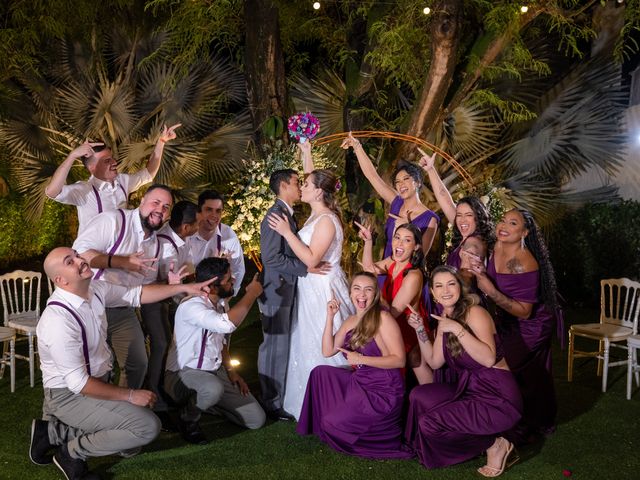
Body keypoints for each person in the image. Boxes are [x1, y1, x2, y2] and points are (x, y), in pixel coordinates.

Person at [29, 247, 214, 480]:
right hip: (68, 395)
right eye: (70, 261)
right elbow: (79, 384)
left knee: (131, 447)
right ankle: (71, 453)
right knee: (147, 427)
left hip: (96, 383)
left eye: (76, 254)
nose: (80, 260)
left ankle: (53, 432)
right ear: (61, 279)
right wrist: (129, 395)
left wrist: (184, 287)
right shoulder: (57, 321)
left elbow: (137, 294)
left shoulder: (95, 289)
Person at [405, 266, 522, 476]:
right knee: (419, 396)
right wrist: (420, 328)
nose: (445, 290)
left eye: (451, 283)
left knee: (429, 423)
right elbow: (434, 362)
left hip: (497, 397)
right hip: (469, 389)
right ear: (432, 292)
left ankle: (495, 443)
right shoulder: (444, 318)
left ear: (460, 287)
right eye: (439, 286)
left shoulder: (475, 313)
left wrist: (456, 329)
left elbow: (487, 359)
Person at [268, 142, 354, 419]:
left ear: (318, 191)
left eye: (305, 184)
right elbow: (315, 179)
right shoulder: (317, 213)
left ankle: (335, 400)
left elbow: (312, 259)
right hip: (311, 287)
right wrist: (306, 152)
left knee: (324, 337)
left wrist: (286, 232)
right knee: (308, 338)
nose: (300, 187)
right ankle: (311, 401)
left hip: (323, 287)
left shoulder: (327, 220)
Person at [297, 272, 412, 459]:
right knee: (320, 373)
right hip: (361, 380)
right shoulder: (349, 320)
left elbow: (399, 360)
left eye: (368, 290)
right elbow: (327, 351)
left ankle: (360, 429)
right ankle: (338, 418)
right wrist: (330, 317)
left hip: (384, 389)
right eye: (357, 289)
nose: (362, 295)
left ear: (375, 294)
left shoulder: (383, 318)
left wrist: (361, 359)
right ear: (350, 293)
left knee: (331, 423)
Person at [469, 208, 559, 443]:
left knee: (510, 367)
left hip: (532, 324)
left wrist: (491, 291)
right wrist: (481, 274)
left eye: (513, 223)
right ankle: (521, 417)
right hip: (507, 319)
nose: (504, 226)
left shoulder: (523, 262)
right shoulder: (497, 246)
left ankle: (520, 424)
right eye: (502, 220)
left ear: (524, 232)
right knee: (524, 373)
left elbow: (525, 311)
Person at [72, 184, 173, 389]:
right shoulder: (113, 220)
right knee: (96, 369)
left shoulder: (154, 244)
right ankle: (91, 415)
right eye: (156, 202)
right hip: (92, 305)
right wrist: (121, 262)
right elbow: (79, 254)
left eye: (166, 207)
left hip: (123, 309)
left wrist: (170, 284)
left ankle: (126, 409)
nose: (160, 209)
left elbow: (143, 287)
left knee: (138, 364)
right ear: (142, 201)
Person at [164, 257, 266, 445]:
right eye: (228, 280)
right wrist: (251, 294)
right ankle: (188, 419)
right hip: (183, 374)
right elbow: (226, 325)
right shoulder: (192, 306)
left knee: (256, 420)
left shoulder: (220, 302)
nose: (233, 281)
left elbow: (221, 344)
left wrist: (231, 370)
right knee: (212, 388)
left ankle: (208, 403)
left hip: (214, 372)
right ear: (211, 286)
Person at [258, 168, 322, 421]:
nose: (300, 186)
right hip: (276, 291)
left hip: (286, 287)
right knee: (274, 347)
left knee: (281, 345)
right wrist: (307, 268)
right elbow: (271, 257)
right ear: (284, 185)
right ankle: (270, 403)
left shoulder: (287, 214)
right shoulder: (275, 215)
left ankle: (276, 397)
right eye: (297, 182)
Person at [45, 124, 180, 236]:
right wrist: (72, 155)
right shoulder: (84, 190)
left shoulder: (123, 181)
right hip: (91, 258)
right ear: (92, 168)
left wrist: (161, 142)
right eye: (107, 161)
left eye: (112, 157)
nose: (114, 162)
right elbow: (52, 192)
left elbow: (149, 173)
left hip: (119, 253)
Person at [340, 132, 439, 259]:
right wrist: (356, 146)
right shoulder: (396, 202)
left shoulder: (430, 219)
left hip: (406, 276)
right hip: (384, 268)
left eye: (406, 179)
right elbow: (372, 176)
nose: (401, 184)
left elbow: (420, 256)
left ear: (418, 182)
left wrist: (409, 229)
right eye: (397, 182)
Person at [358, 221, 432, 384]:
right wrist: (368, 242)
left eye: (407, 240)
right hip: (389, 321)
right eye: (397, 237)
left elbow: (393, 312)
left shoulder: (413, 275)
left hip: (406, 326)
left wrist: (375, 291)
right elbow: (368, 270)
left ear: (416, 247)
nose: (399, 243)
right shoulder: (393, 262)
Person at [418, 150, 494, 269]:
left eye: (468, 215)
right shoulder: (468, 235)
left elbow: (467, 281)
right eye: (459, 215)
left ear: (478, 217)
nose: (462, 220)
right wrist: (430, 169)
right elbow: (445, 199)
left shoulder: (473, 244)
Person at [187, 190, 245, 296]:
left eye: (218, 211)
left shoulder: (227, 234)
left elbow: (238, 269)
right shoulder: (188, 232)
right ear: (199, 211)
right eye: (209, 210)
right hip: (186, 292)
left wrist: (230, 294)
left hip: (214, 295)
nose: (214, 215)